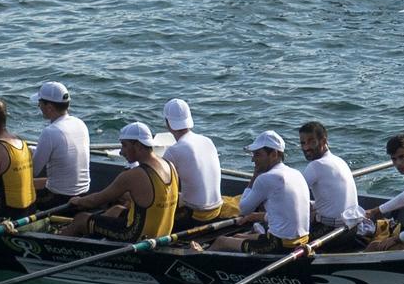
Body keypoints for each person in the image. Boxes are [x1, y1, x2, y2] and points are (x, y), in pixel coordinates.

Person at [62, 123, 180, 240]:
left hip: (136, 238)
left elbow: (95, 201)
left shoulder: (134, 175)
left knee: (80, 219)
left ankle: (52, 246)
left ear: (138, 145)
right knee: (116, 210)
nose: (121, 152)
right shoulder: (170, 166)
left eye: (124, 145)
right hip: (163, 236)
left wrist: (77, 201)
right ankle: (93, 236)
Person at [219, 131, 313, 252]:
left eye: (257, 154)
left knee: (221, 241)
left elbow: (243, 209)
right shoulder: (296, 173)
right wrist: (256, 216)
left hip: (278, 244)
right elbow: (283, 214)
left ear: (274, 154)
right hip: (302, 241)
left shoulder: (266, 178)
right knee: (238, 237)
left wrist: (254, 176)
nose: (253, 160)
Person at [160, 98, 232, 230]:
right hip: (217, 209)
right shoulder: (207, 141)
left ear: (168, 124)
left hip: (195, 217)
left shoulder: (174, 151)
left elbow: (159, 185)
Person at [299, 121, 372, 236]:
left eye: (311, 142)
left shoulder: (315, 166)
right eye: (303, 143)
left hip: (334, 231)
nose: (306, 147)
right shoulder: (339, 161)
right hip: (353, 226)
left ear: (323, 141)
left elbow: (294, 196)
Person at [31, 81, 90, 210]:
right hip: (83, 195)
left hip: (59, 199)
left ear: (49, 107)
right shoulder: (80, 124)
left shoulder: (50, 132)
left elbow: (33, 170)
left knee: (13, 191)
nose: (38, 106)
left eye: (40, 103)